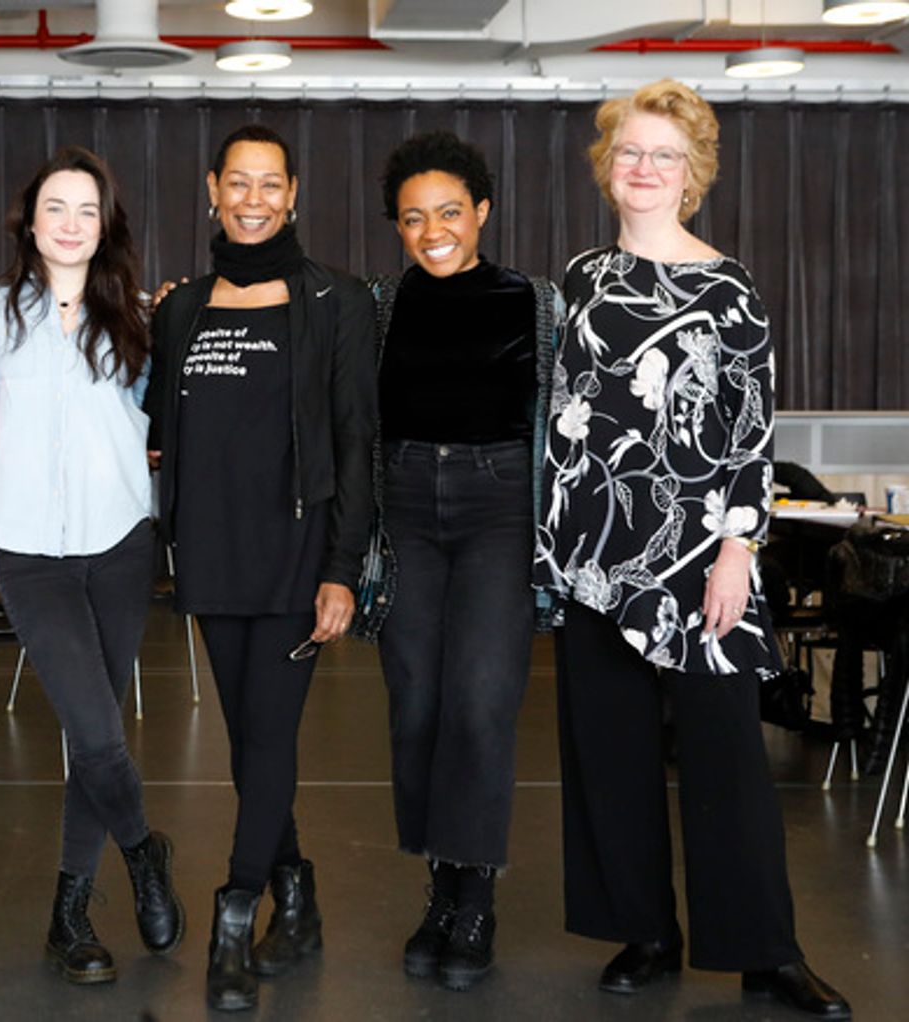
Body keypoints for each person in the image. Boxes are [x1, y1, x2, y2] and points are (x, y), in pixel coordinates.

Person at [535, 79, 851, 1019]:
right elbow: (565, 417)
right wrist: (554, 550)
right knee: (611, 755)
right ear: (608, 166)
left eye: (663, 155)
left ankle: (766, 955)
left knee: (727, 761)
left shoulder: (728, 286)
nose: (644, 167)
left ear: (691, 173)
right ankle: (645, 932)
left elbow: (751, 432)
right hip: (597, 555)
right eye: (630, 151)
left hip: (700, 558)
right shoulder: (580, 276)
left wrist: (739, 551)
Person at [146, 124, 376, 1012]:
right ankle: (298, 894)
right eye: (237, 183)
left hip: (295, 557)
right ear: (213, 190)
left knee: (272, 736)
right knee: (248, 742)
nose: (253, 200)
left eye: (269, 184)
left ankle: (235, 914)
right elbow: (161, 430)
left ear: (292, 195)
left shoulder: (335, 299)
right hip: (210, 552)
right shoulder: (182, 309)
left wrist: (342, 566)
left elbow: (355, 440)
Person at [0, 145, 183, 987]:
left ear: (105, 226)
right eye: (55, 207)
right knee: (93, 733)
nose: (70, 223)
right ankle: (143, 851)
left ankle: (69, 915)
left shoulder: (139, 316)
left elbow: (166, 422)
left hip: (120, 544)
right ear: (29, 222)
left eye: (86, 210)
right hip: (28, 551)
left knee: (95, 741)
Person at [359, 130, 561, 991]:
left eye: (449, 212)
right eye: (414, 218)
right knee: (417, 705)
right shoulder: (376, 305)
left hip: (498, 507)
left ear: (482, 211)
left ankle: (475, 901)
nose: (433, 231)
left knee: (479, 703)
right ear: (397, 227)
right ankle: (439, 892)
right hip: (405, 505)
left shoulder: (536, 303)